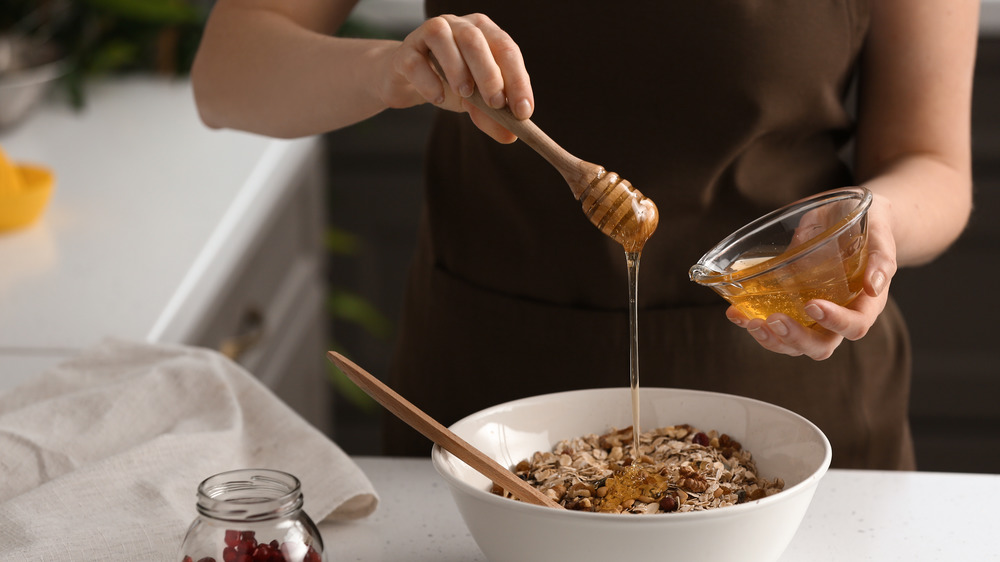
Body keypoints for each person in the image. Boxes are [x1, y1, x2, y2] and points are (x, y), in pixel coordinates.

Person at [191, 1, 978, 469]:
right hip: (486, 410)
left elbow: (931, 163)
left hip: (793, 411)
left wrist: (865, 230)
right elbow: (229, 74)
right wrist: (390, 71)